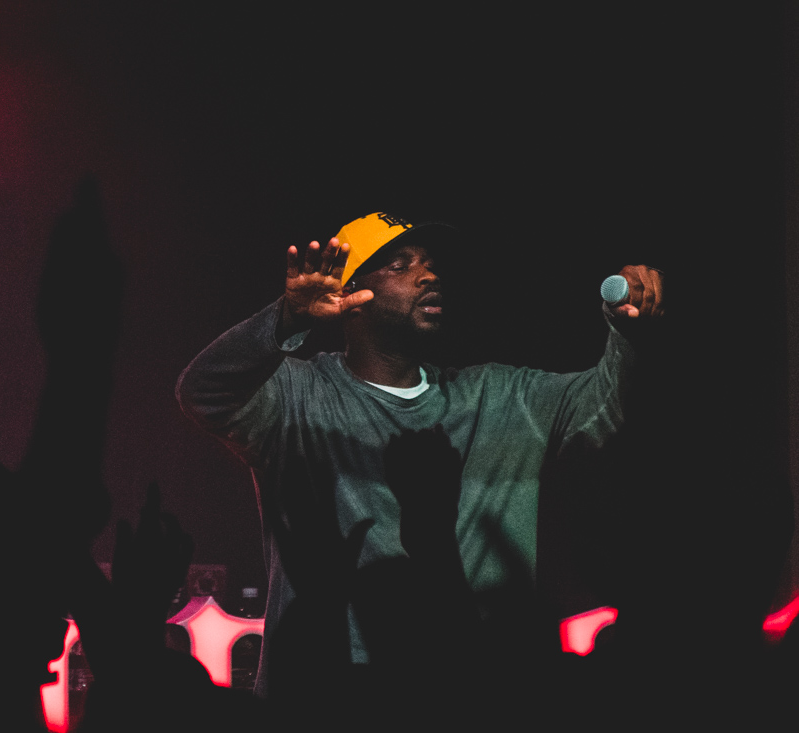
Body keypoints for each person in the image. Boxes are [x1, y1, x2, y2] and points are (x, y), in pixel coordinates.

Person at [175, 212, 664, 699]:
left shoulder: (498, 396)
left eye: (430, 264)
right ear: (349, 297)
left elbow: (607, 410)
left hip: (471, 688)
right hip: (327, 692)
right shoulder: (297, 397)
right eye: (399, 265)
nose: (428, 275)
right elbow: (203, 392)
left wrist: (629, 336)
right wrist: (285, 320)